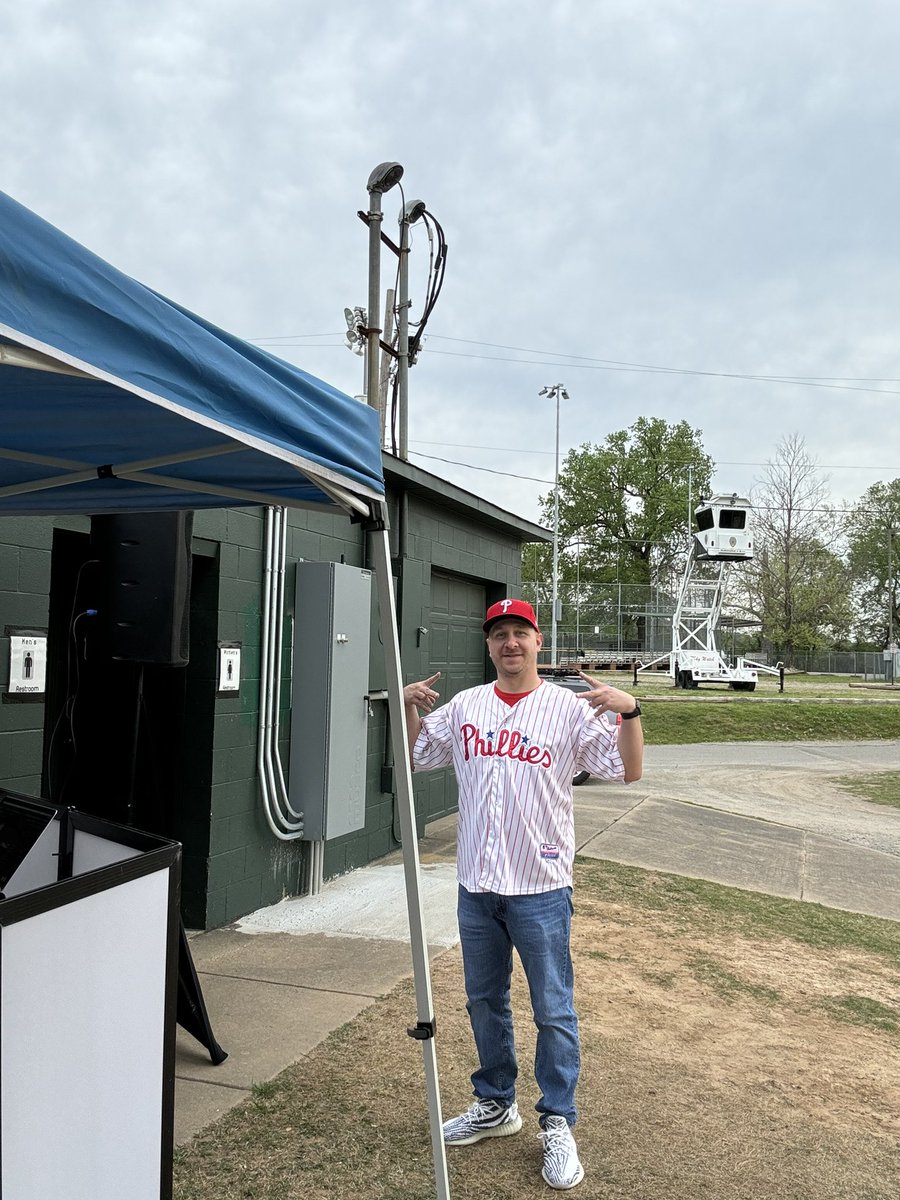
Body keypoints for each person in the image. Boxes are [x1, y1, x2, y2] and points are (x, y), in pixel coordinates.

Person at [404, 598, 643, 1191]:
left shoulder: (566, 708)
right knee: (484, 1002)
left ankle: (558, 1120)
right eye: (499, 634)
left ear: (538, 642)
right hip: (477, 884)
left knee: (553, 1010)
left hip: (540, 886)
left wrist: (632, 710)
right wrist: (408, 709)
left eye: (520, 632)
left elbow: (627, 771)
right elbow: (416, 755)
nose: (510, 643)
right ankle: (495, 1103)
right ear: (489, 646)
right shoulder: (467, 706)